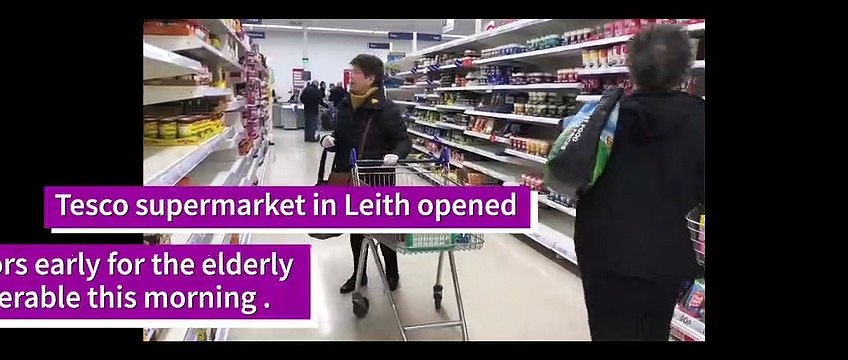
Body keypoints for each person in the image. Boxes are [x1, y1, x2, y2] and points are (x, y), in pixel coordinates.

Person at [572, 24, 705, 341]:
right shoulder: (700, 120)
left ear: (631, 67)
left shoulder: (604, 114)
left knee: (607, 329)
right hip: (664, 252)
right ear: (684, 71)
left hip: (601, 249)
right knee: (652, 330)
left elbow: (572, 173)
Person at [320, 54, 411, 294]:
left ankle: (392, 272)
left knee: (384, 230)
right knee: (356, 231)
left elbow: (403, 141)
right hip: (349, 177)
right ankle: (358, 274)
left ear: (371, 78)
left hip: (377, 179)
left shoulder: (386, 109)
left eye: (356, 73)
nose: (351, 77)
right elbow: (340, 135)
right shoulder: (346, 104)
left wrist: (396, 156)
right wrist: (329, 140)